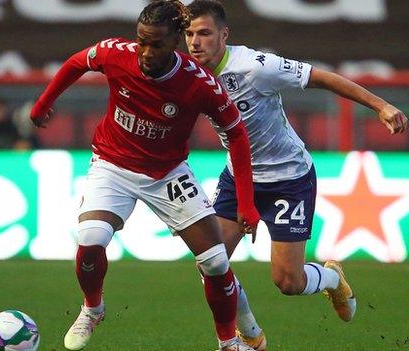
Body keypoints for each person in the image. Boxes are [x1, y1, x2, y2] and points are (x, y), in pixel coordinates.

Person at [29, 1, 261, 350]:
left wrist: (246, 202)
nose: (146, 52)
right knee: (91, 234)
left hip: (167, 174)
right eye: (142, 41)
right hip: (112, 163)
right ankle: (92, 308)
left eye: (156, 44)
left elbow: (238, 135)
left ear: (176, 42)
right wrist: (44, 102)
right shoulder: (115, 53)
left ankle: (228, 343)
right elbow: (78, 62)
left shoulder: (200, 84)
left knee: (215, 261)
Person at [184, 1, 409, 349]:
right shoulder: (187, 71)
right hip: (239, 177)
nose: (195, 42)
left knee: (288, 281)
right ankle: (251, 335)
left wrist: (381, 105)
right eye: (189, 34)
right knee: (211, 263)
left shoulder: (256, 67)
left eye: (204, 33)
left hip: (289, 180)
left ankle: (332, 277)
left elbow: (322, 77)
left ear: (224, 35)